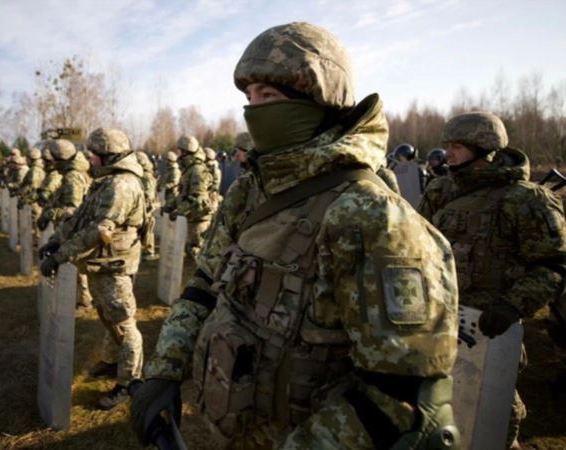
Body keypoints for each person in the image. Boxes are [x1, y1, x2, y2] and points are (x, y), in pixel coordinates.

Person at [131, 22, 460, 450]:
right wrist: (166, 367)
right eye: (248, 97)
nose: (253, 111)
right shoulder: (251, 191)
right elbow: (204, 285)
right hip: (231, 425)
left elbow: (402, 406)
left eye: (268, 96)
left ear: (320, 100)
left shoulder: (372, 219)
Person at [420, 111, 566, 449]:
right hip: (439, 324)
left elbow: (554, 265)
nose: (448, 154)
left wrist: (512, 305)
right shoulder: (440, 190)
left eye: (457, 146)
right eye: (447, 146)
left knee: (493, 420)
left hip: (490, 330)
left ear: (484, 149)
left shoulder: (524, 200)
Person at [40, 128, 146, 409]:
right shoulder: (106, 181)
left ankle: (130, 382)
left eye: (94, 153)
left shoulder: (121, 185)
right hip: (102, 264)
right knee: (108, 316)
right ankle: (112, 362)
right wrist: (55, 241)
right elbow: (81, 217)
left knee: (123, 323)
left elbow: (99, 230)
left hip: (115, 265)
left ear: (108, 156)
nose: (88, 157)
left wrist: (61, 256)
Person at [40, 138, 93, 309]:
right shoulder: (73, 173)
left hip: (73, 230)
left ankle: (84, 298)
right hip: (72, 228)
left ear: (60, 159)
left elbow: (73, 211)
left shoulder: (73, 177)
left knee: (75, 263)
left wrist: (50, 213)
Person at [169, 135, 214, 260]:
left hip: (200, 218)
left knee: (197, 249)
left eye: (180, 151)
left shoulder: (197, 170)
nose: (178, 154)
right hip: (193, 216)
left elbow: (198, 198)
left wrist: (179, 211)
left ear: (185, 151)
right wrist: (171, 206)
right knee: (191, 249)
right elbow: (184, 193)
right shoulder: (190, 169)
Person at [136, 151, 158, 260]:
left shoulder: (146, 176)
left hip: (146, 208)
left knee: (147, 230)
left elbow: (148, 195)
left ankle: (149, 251)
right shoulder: (143, 174)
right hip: (142, 207)